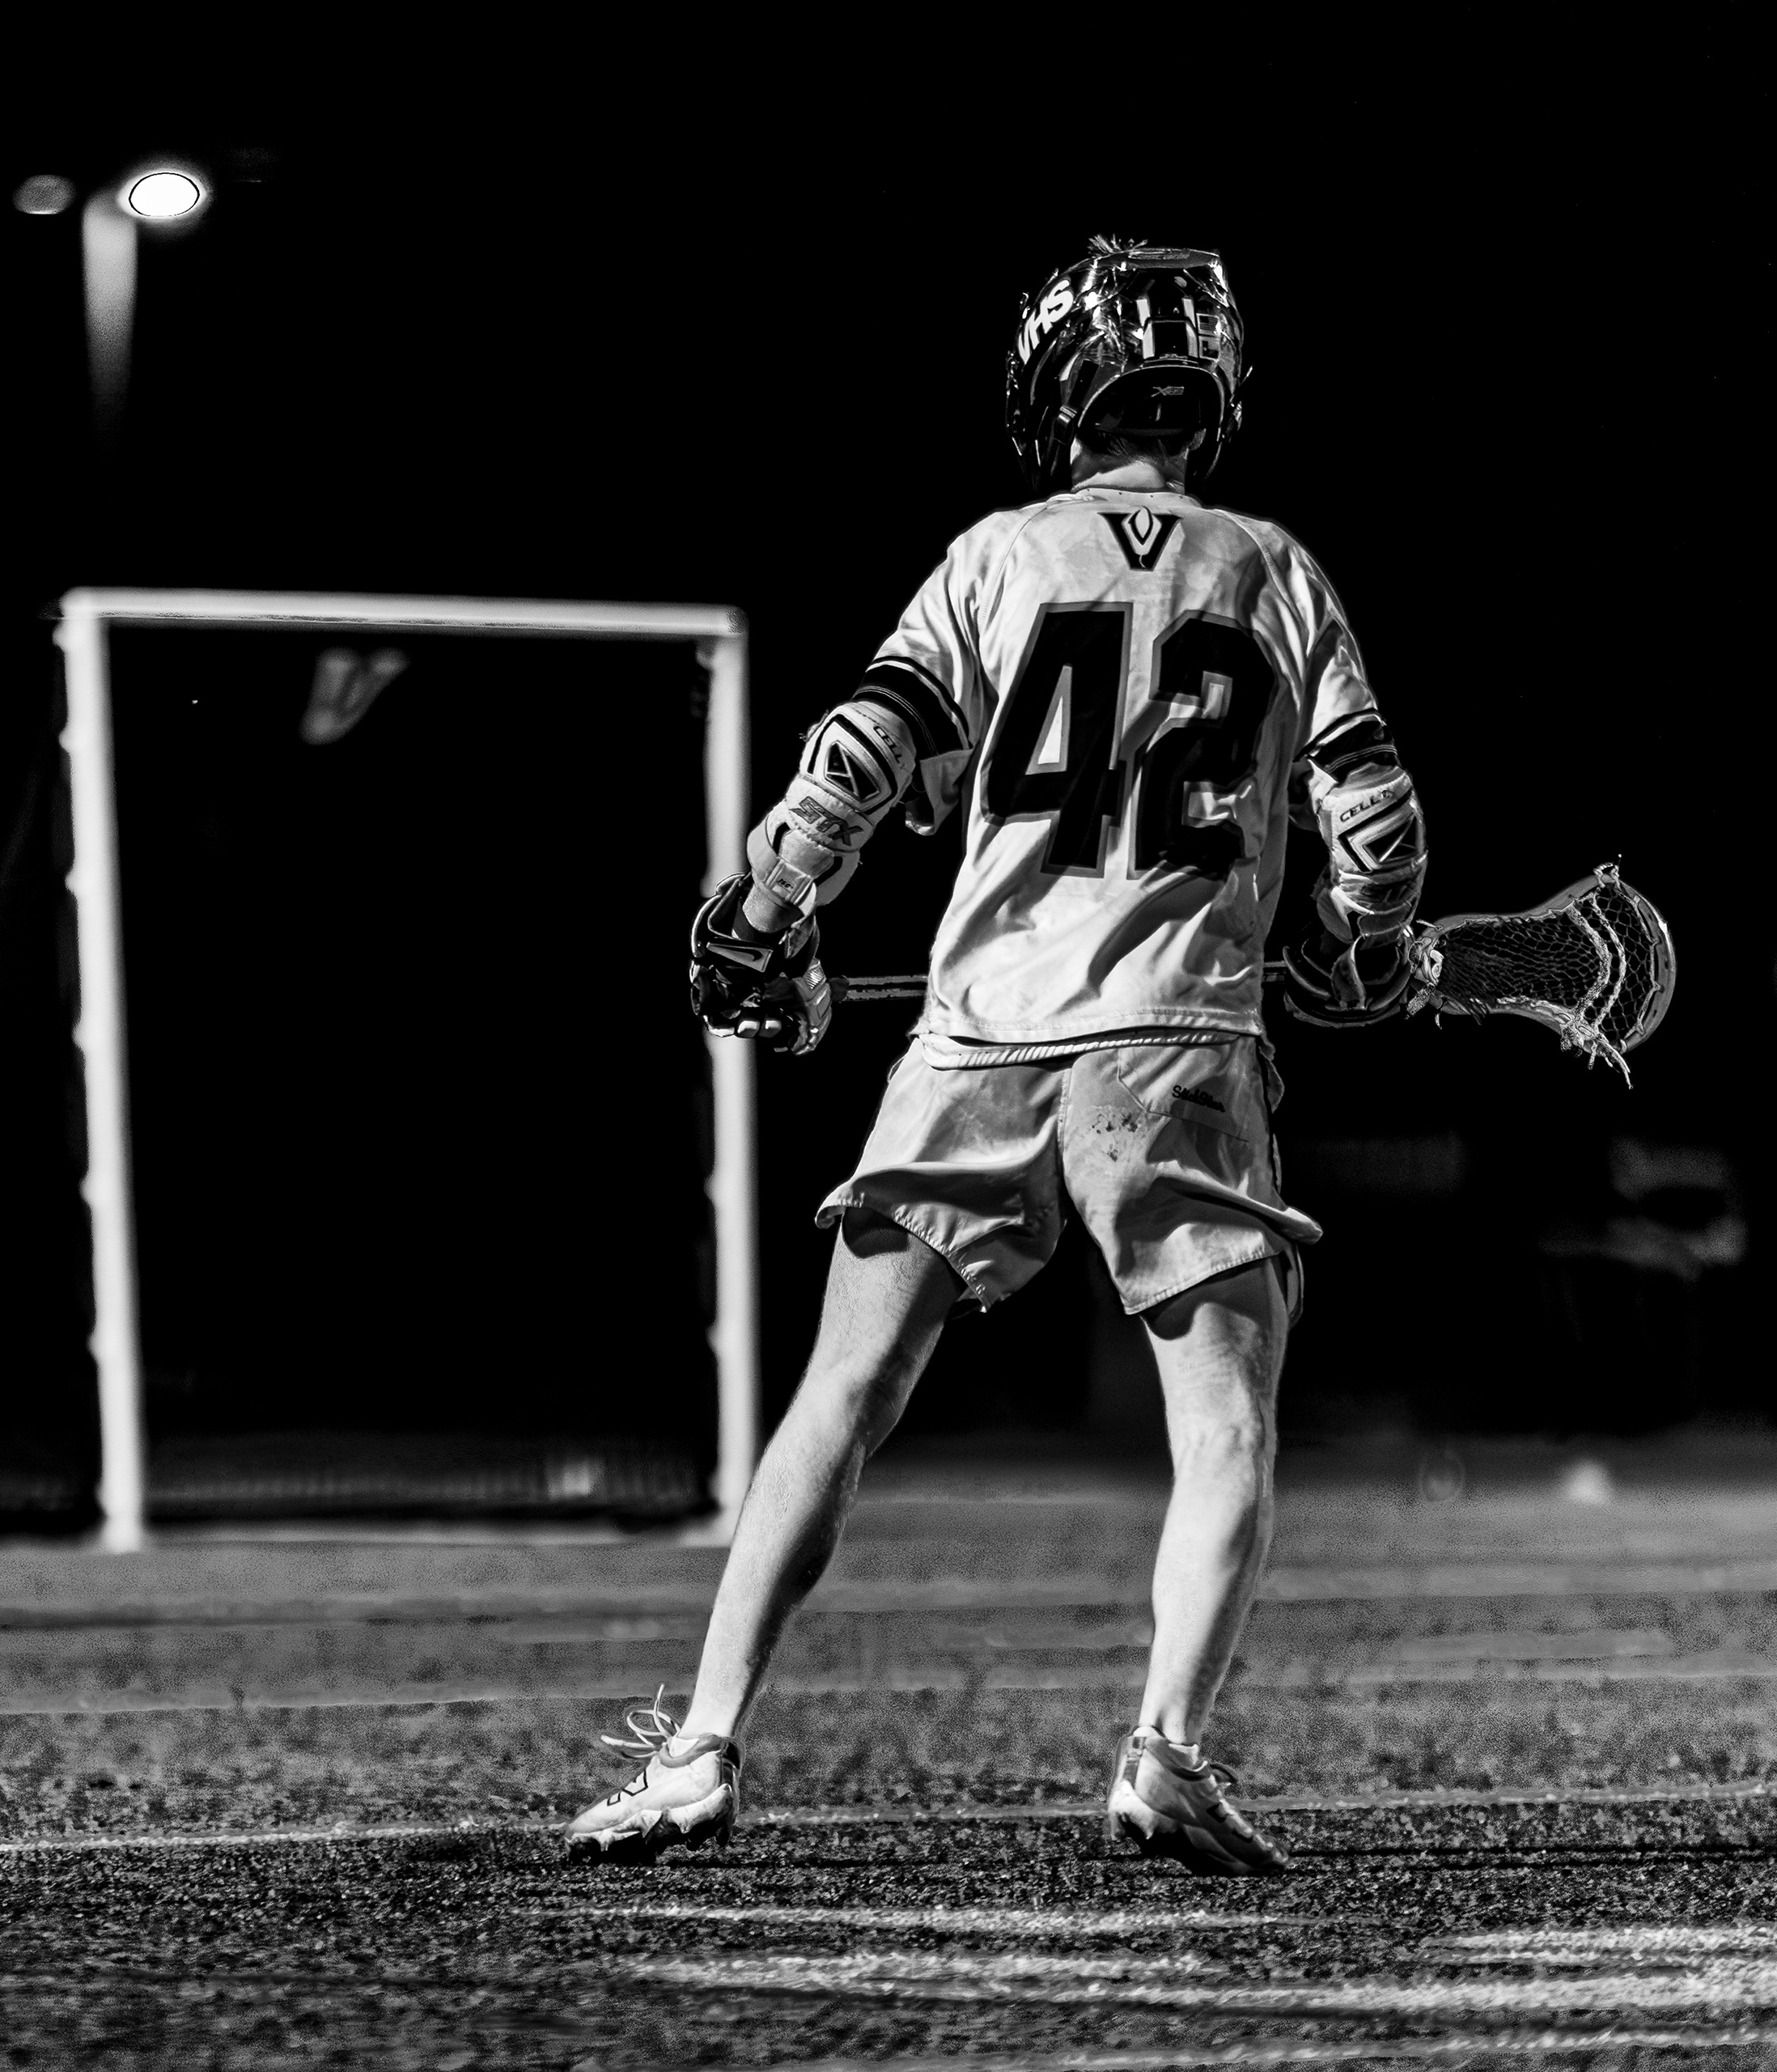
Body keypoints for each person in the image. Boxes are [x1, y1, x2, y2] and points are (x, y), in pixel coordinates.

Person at [562, 238, 1426, 1875]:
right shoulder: (1272, 564)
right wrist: (1364, 941)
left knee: (842, 1395)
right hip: (1175, 1049)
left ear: (1055, 387)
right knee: (1226, 1423)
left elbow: (857, 758)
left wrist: (767, 906)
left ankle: (699, 1749)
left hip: (974, 1044)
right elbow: (1376, 824)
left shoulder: (995, 553)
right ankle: (1164, 1751)